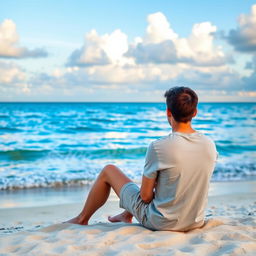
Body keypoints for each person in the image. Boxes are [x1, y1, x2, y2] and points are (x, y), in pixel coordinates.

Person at [67, 86, 218, 231]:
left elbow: (145, 197)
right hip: (194, 222)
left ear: (168, 112)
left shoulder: (159, 147)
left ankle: (82, 219)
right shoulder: (209, 145)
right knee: (167, 178)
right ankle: (126, 216)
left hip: (161, 222)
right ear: (195, 112)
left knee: (109, 170)